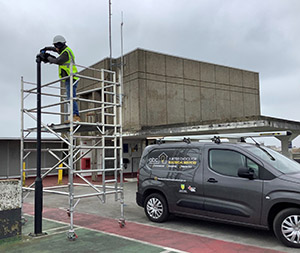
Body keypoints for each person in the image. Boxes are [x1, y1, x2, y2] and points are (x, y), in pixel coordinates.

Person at [40, 35, 80, 122]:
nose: (55, 48)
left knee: (71, 98)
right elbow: (55, 50)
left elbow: (57, 61)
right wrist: (46, 48)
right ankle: (73, 116)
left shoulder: (65, 53)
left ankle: (76, 116)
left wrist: (47, 57)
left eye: (56, 46)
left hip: (71, 77)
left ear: (59, 45)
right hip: (69, 77)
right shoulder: (64, 50)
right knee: (70, 98)